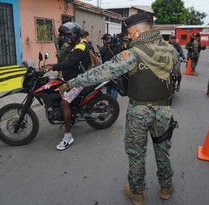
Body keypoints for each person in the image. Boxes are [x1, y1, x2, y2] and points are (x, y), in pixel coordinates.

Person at [57, 13, 179, 204]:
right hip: (163, 111)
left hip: (139, 111)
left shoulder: (132, 54)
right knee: (162, 149)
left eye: (130, 33)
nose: (128, 37)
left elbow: (101, 72)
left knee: (136, 153)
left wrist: (72, 82)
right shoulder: (171, 50)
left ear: (138, 31)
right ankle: (166, 186)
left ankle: (137, 193)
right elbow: (175, 74)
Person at [43, 22, 90, 150]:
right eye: (65, 36)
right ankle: (72, 117)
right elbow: (63, 58)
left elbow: (69, 63)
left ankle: (68, 137)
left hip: (78, 80)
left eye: (68, 35)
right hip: (71, 79)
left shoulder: (80, 47)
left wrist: (53, 66)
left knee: (64, 103)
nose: (66, 38)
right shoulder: (73, 45)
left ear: (75, 35)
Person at [99, 33, 121, 99]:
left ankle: (110, 102)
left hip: (106, 71)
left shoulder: (102, 49)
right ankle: (114, 102)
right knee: (115, 88)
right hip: (116, 71)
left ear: (105, 41)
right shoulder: (117, 48)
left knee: (108, 87)